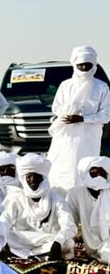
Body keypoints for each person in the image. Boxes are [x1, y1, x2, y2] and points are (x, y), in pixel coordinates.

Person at [47, 46, 110, 190]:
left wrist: (82, 119)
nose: (84, 69)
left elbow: (106, 114)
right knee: (63, 168)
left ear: (93, 66)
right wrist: (68, 114)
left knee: (85, 168)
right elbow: (56, 107)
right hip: (66, 136)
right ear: (74, 65)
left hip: (88, 136)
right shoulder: (66, 85)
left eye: (87, 65)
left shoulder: (101, 87)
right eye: (80, 65)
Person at [2, 153, 76, 260]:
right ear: (24, 178)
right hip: (22, 239)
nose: (33, 180)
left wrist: (58, 242)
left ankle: (26, 255)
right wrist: (3, 241)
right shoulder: (16, 198)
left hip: (47, 240)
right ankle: (41, 256)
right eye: (29, 177)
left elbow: (69, 226)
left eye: (37, 176)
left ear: (44, 178)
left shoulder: (56, 199)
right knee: (3, 237)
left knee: (67, 243)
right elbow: (4, 221)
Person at [66, 156, 110, 263]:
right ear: (85, 174)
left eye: (102, 173)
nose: (99, 177)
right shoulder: (75, 193)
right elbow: (69, 221)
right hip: (91, 244)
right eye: (94, 173)